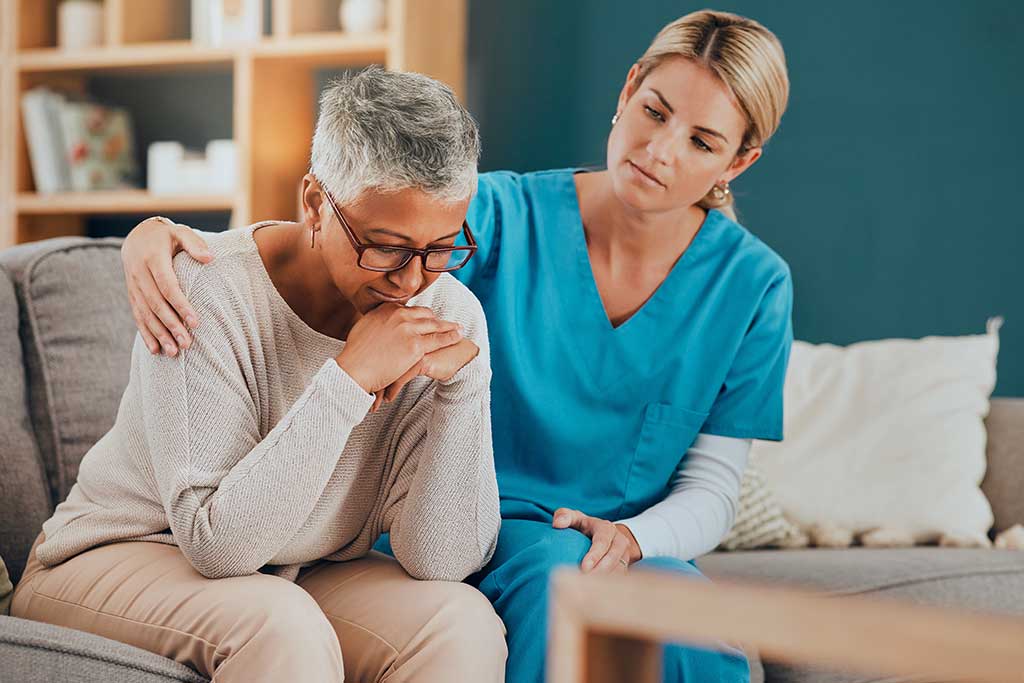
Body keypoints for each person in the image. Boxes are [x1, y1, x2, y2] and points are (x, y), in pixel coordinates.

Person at [118, 9, 793, 682]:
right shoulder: (497, 214)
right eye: (655, 111)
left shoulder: (754, 285)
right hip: (482, 522)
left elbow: (714, 485)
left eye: (702, 141)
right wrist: (159, 233)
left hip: (627, 540)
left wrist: (641, 537)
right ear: (628, 90)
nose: (662, 149)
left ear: (740, 160)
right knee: (570, 592)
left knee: (691, 622)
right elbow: (345, 232)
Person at [11, 67, 508, 683]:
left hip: (293, 571)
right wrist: (348, 380)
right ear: (315, 204)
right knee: (283, 627)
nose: (411, 280)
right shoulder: (203, 288)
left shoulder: (450, 315)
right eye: (385, 246)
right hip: (118, 554)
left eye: (439, 248)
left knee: (460, 621)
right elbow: (217, 543)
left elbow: (442, 559)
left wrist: (461, 389)